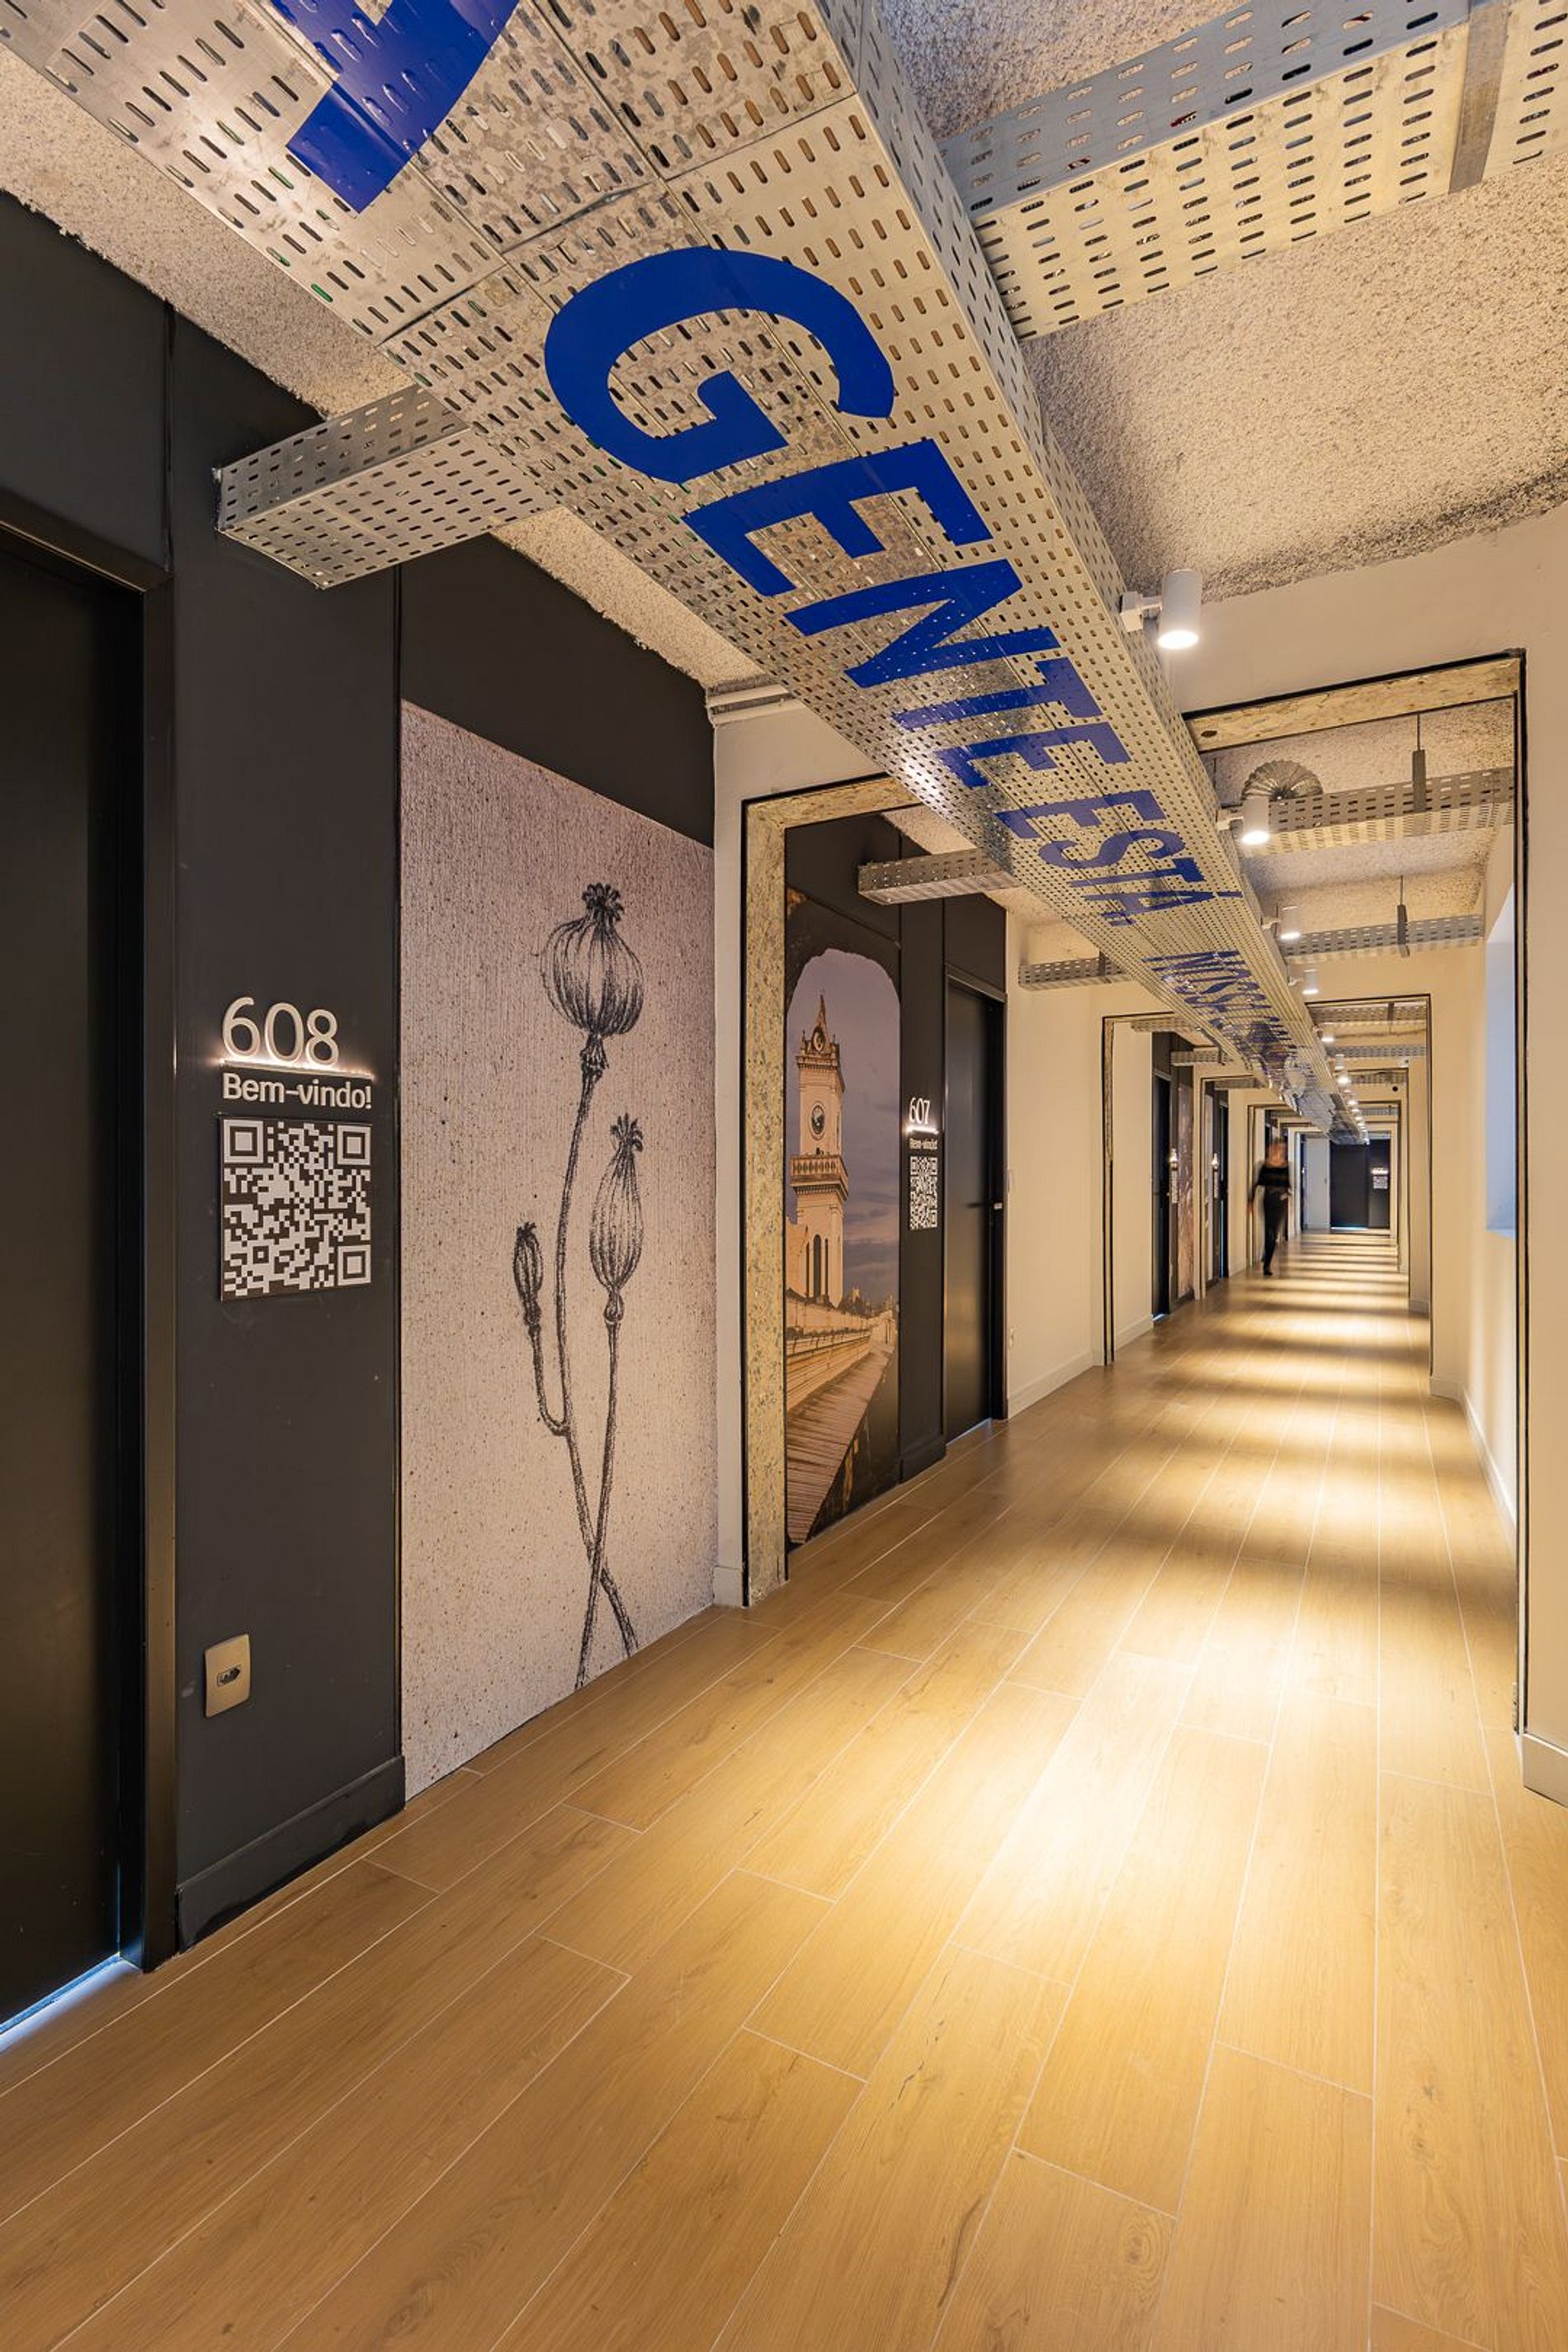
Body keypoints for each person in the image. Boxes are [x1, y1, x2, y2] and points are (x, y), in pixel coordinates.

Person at [1250, 1139, 1292, 1277]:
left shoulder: (1285, 1166)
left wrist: (1287, 1195)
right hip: (1268, 1200)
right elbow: (1257, 1184)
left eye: (1282, 1149)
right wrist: (1250, 1201)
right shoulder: (1265, 1165)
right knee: (1268, 1231)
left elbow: (1287, 1185)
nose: (1280, 1151)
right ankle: (1266, 1262)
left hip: (1281, 1202)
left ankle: (1267, 1259)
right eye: (1277, 1148)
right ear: (1271, 1149)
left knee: (1274, 1233)